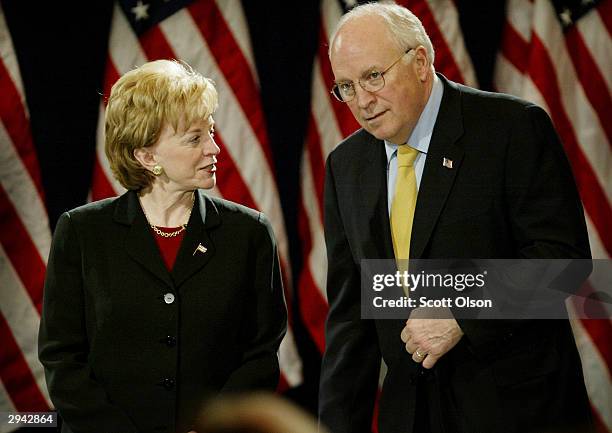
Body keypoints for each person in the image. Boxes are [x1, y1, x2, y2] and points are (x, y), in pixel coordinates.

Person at [319, 4, 594, 433]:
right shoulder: (345, 165)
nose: (362, 101)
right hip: (411, 416)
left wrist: (462, 311)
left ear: (421, 63)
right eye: (346, 87)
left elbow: (565, 264)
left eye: (374, 77)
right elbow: (351, 318)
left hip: (515, 411)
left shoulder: (510, 128)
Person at [38, 59, 287, 433]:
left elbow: (261, 356)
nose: (214, 148)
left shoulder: (248, 232)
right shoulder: (82, 232)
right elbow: (62, 358)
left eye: (211, 132)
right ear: (147, 156)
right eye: (194, 138)